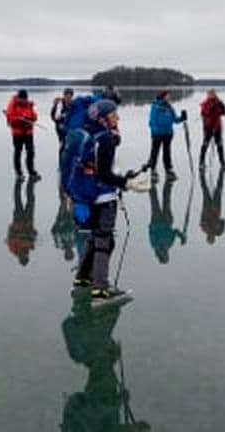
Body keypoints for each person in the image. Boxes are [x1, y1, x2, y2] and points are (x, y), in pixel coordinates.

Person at [72, 100, 147, 302]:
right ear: (103, 118)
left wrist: (123, 176)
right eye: (114, 115)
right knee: (105, 240)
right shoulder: (105, 139)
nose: (118, 118)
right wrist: (126, 183)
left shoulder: (87, 134)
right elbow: (104, 175)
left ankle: (82, 278)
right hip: (103, 197)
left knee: (95, 237)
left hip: (88, 196)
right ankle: (101, 288)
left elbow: (96, 168)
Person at [61, 303, 150, 431]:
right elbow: (109, 423)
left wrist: (119, 402)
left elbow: (98, 415)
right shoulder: (102, 372)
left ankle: (95, 309)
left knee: (101, 360)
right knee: (102, 360)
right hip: (103, 393)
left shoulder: (100, 374)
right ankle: (99, 309)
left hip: (101, 393)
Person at [146, 90, 187, 181]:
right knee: (155, 152)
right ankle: (153, 170)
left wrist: (182, 118)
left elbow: (175, 120)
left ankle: (168, 169)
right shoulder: (155, 106)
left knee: (167, 152)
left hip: (168, 133)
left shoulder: (169, 107)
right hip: (157, 134)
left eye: (169, 96)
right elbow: (152, 121)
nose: (169, 98)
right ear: (163, 96)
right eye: (168, 96)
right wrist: (156, 132)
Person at [5, 89, 41, 181]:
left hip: (28, 133)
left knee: (31, 152)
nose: (24, 101)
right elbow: (10, 118)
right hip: (17, 133)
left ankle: (31, 171)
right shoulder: (12, 105)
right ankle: (18, 172)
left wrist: (30, 118)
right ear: (19, 98)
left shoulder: (29, 105)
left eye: (25, 99)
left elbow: (35, 116)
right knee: (18, 152)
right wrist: (20, 119)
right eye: (22, 99)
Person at [148, 179, 186, 264]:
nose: (165, 253)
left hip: (157, 221)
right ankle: (168, 183)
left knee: (154, 202)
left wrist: (160, 226)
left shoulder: (155, 245)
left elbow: (152, 231)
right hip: (167, 220)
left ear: (160, 255)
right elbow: (175, 231)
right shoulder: (169, 244)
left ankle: (151, 184)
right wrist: (181, 236)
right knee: (167, 200)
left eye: (164, 255)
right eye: (166, 255)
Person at [6, 178, 38, 267]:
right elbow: (34, 233)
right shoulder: (29, 247)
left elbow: (11, 236)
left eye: (23, 257)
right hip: (28, 221)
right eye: (26, 256)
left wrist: (25, 238)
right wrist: (28, 238)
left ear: (19, 257)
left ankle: (18, 183)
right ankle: (31, 184)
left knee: (18, 200)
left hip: (18, 221)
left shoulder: (13, 248)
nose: (24, 254)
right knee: (31, 201)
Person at [199, 89, 225, 171]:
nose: (212, 95)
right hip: (208, 127)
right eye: (210, 94)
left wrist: (220, 104)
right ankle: (201, 162)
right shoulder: (205, 103)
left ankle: (222, 162)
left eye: (214, 94)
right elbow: (204, 113)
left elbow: (224, 112)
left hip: (217, 127)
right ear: (208, 95)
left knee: (219, 145)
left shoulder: (218, 102)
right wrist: (211, 108)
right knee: (205, 144)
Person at [199, 168, 225, 245]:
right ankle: (221, 173)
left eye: (210, 238)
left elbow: (201, 220)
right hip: (216, 209)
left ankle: (202, 175)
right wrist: (219, 225)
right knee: (218, 190)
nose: (211, 236)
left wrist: (205, 221)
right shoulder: (219, 231)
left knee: (205, 190)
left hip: (207, 208)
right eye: (212, 238)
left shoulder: (204, 229)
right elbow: (223, 221)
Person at [51, 87, 75, 154]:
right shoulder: (59, 104)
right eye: (66, 96)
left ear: (72, 96)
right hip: (60, 127)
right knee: (63, 144)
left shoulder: (73, 104)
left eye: (70, 96)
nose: (68, 98)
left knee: (70, 145)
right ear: (64, 95)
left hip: (70, 127)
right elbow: (54, 117)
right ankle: (62, 160)